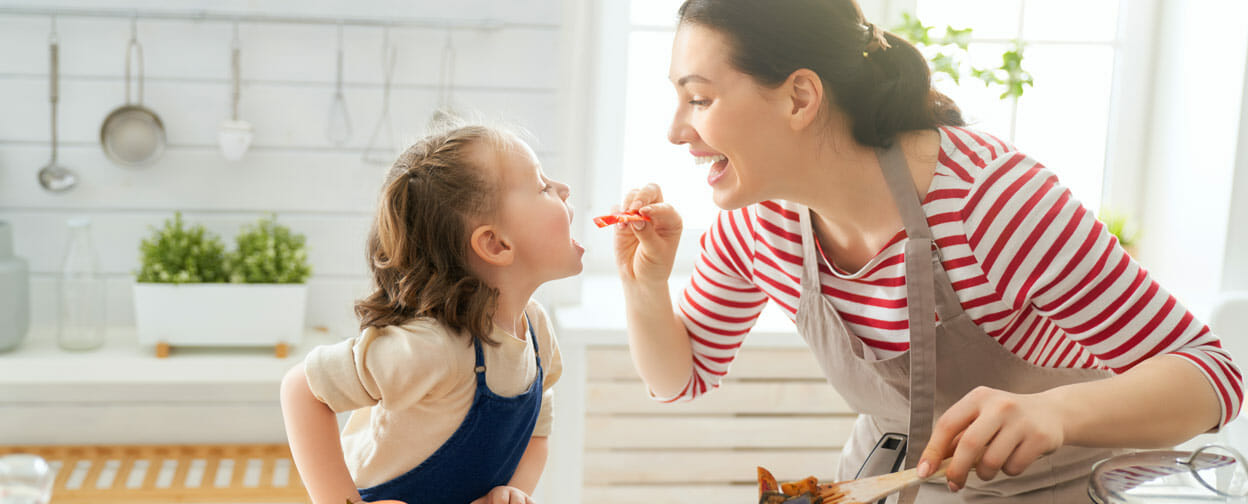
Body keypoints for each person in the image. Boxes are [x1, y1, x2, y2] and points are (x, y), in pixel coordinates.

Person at [612, 0, 1243, 502]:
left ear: (801, 97)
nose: (675, 130)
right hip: (896, 483)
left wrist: (1056, 413)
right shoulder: (760, 226)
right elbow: (683, 377)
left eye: (699, 98)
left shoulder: (992, 203)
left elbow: (1214, 377)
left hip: (1063, 488)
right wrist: (645, 285)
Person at [280, 124, 584, 504]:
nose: (564, 189)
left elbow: (537, 431)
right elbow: (302, 389)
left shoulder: (536, 332)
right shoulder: (433, 347)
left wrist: (514, 492)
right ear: (496, 243)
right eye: (542, 186)